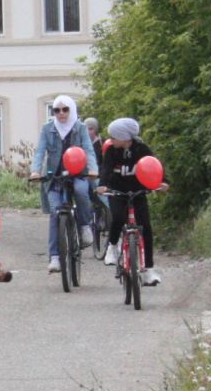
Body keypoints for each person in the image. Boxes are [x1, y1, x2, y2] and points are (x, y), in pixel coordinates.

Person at [29, 95, 97, 273]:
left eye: (65, 109)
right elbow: (40, 151)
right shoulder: (47, 129)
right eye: (56, 110)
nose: (61, 113)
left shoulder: (80, 128)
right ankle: (55, 257)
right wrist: (35, 171)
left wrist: (92, 169)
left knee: (82, 192)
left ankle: (84, 226)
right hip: (55, 177)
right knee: (55, 213)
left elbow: (89, 150)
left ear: (72, 110)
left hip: (78, 174)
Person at [98, 117, 164, 287]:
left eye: (113, 137)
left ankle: (148, 269)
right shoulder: (112, 151)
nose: (110, 140)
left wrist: (164, 182)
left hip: (138, 192)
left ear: (125, 137)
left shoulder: (142, 149)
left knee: (146, 227)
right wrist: (103, 185)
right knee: (118, 217)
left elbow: (154, 165)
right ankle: (112, 246)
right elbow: (105, 169)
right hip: (117, 191)